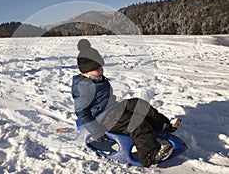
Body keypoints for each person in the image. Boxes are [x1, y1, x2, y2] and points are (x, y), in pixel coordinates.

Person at [72, 39, 179, 167]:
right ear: (85, 72)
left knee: (139, 104)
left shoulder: (97, 79)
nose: (101, 70)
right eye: (96, 69)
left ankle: (162, 125)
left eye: (101, 67)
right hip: (102, 118)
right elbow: (81, 112)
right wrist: (96, 131)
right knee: (136, 122)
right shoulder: (84, 87)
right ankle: (150, 154)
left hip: (113, 109)